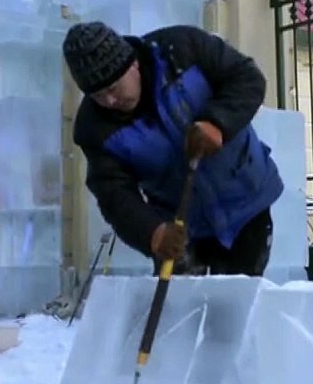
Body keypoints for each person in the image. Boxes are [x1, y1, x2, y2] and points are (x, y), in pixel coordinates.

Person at [64, 21, 283, 277]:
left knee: (234, 305)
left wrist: (218, 122)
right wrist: (152, 233)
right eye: (98, 96)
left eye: (113, 88)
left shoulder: (182, 49)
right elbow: (114, 195)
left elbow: (247, 78)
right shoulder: (94, 128)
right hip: (180, 228)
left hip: (246, 201)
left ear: (132, 63)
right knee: (179, 310)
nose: (109, 101)